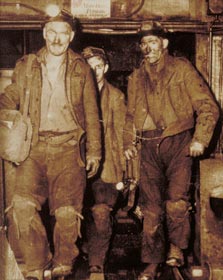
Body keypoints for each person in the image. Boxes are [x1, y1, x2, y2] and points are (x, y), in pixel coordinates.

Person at [0, 10, 101, 280]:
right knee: (21, 206)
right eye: (52, 32)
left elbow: (92, 112)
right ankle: (36, 263)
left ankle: (63, 262)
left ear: (71, 37)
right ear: (45, 34)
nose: (57, 38)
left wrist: (95, 152)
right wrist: (5, 112)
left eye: (63, 33)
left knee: (67, 214)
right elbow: (11, 97)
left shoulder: (82, 67)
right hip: (34, 147)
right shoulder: (27, 65)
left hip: (69, 147)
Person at [123, 21, 219, 280]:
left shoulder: (182, 69)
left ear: (164, 43)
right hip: (148, 145)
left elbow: (208, 107)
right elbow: (130, 116)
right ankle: (152, 262)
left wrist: (200, 139)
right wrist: (128, 144)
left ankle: (176, 248)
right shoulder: (135, 78)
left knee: (176, 203)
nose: (147, 48)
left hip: (178, 142)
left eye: (152, 42)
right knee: (151, 208)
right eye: (143, 44)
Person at [82, 46, 126, 280]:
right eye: (89, 67)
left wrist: (124, 174)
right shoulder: (73, 95)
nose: (94, 71)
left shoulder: (116, 97)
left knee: (100, 213)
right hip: (75, 167)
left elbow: (120, 136)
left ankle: (96, 265)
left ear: (106, 68)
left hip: (106, 168)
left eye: (98, 66)